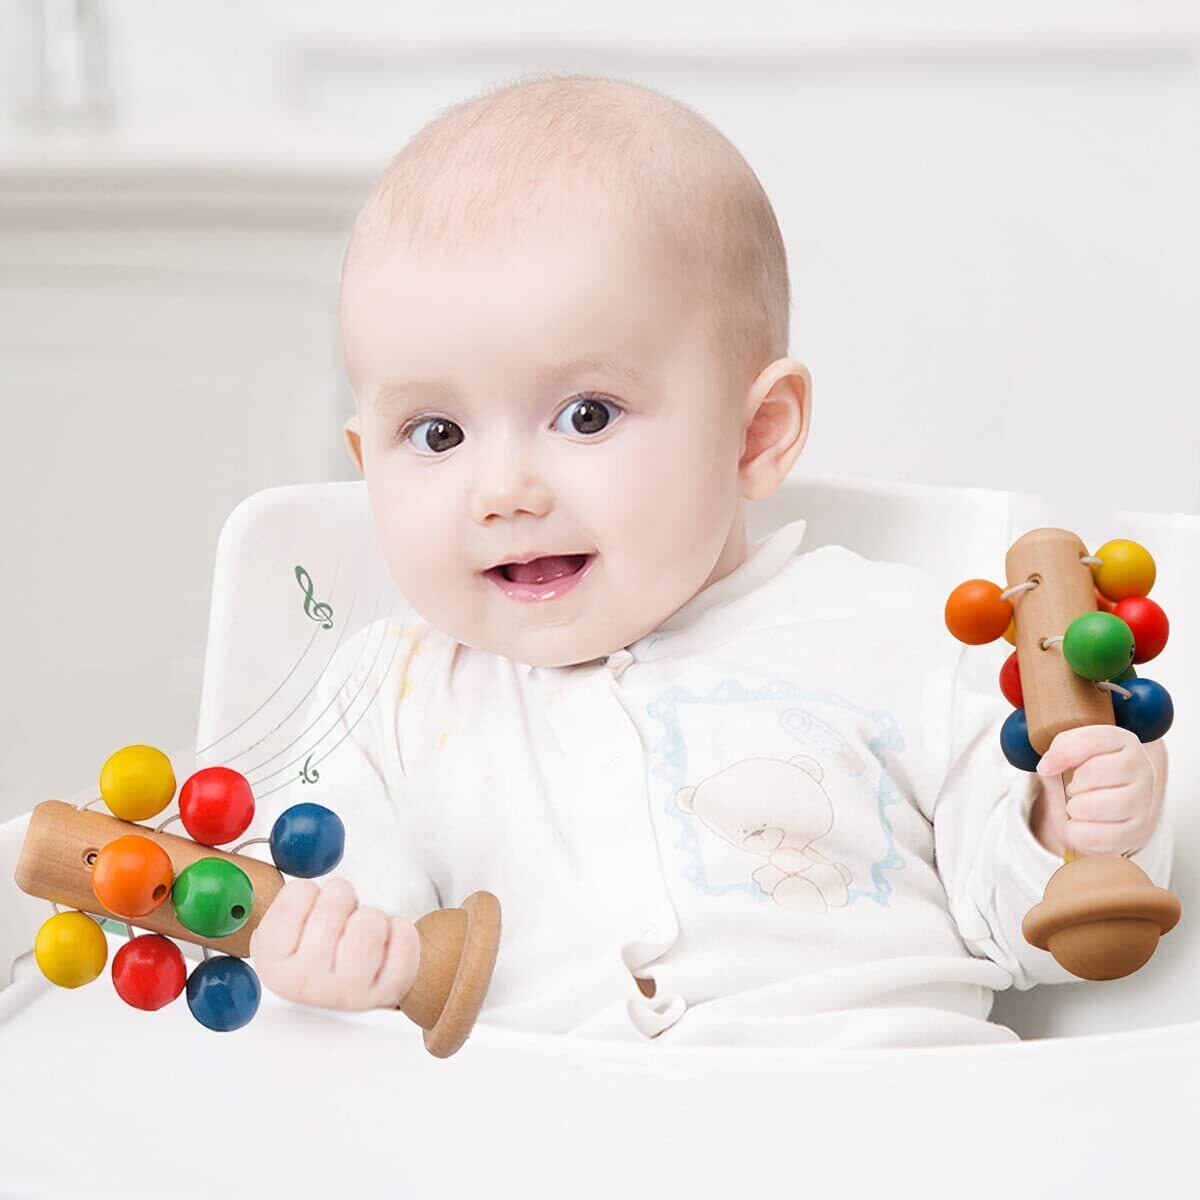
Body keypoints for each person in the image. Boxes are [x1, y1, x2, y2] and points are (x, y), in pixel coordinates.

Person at [247, 73, 1170, 1047]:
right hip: (551, 1127)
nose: (502, 490)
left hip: (888, 1108)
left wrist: (1077, 823)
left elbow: (1032, 932)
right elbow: (344, 930)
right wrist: (328, 959)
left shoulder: (896, 641)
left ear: (755, 433)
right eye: (436, 434)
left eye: (586, 415)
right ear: (367, 465)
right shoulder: (386, 705)